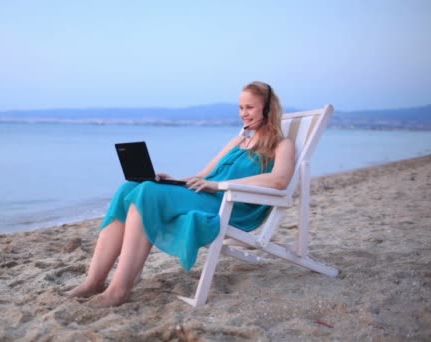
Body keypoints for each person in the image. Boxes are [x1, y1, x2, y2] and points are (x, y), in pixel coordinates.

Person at [68, 81, 295, 307]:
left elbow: (279, 180)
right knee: (130, 187)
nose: (243, 113)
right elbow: (204, 175)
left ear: (267, 109)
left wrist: (219, 185)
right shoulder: (238, 141)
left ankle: (118, 290)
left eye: (250, 107)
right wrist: (173, 182)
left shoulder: (281, 145)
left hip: (229, 204)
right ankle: (94, 281)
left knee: (147, 193)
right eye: (241, 107)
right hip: (206, 193)